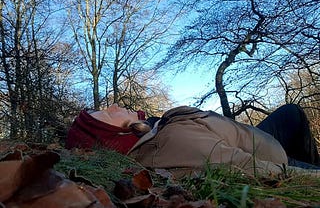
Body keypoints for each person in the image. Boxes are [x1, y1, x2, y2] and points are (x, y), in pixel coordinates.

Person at [65, 103, 320, 176]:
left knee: (292, 114)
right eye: (108, 112)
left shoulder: (155, 129)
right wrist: (309, 178)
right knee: (293, 117)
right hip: (274, 155)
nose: (115, 105)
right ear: (115, 133)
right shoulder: (170, 143)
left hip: (254, 138)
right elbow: (249, 167)